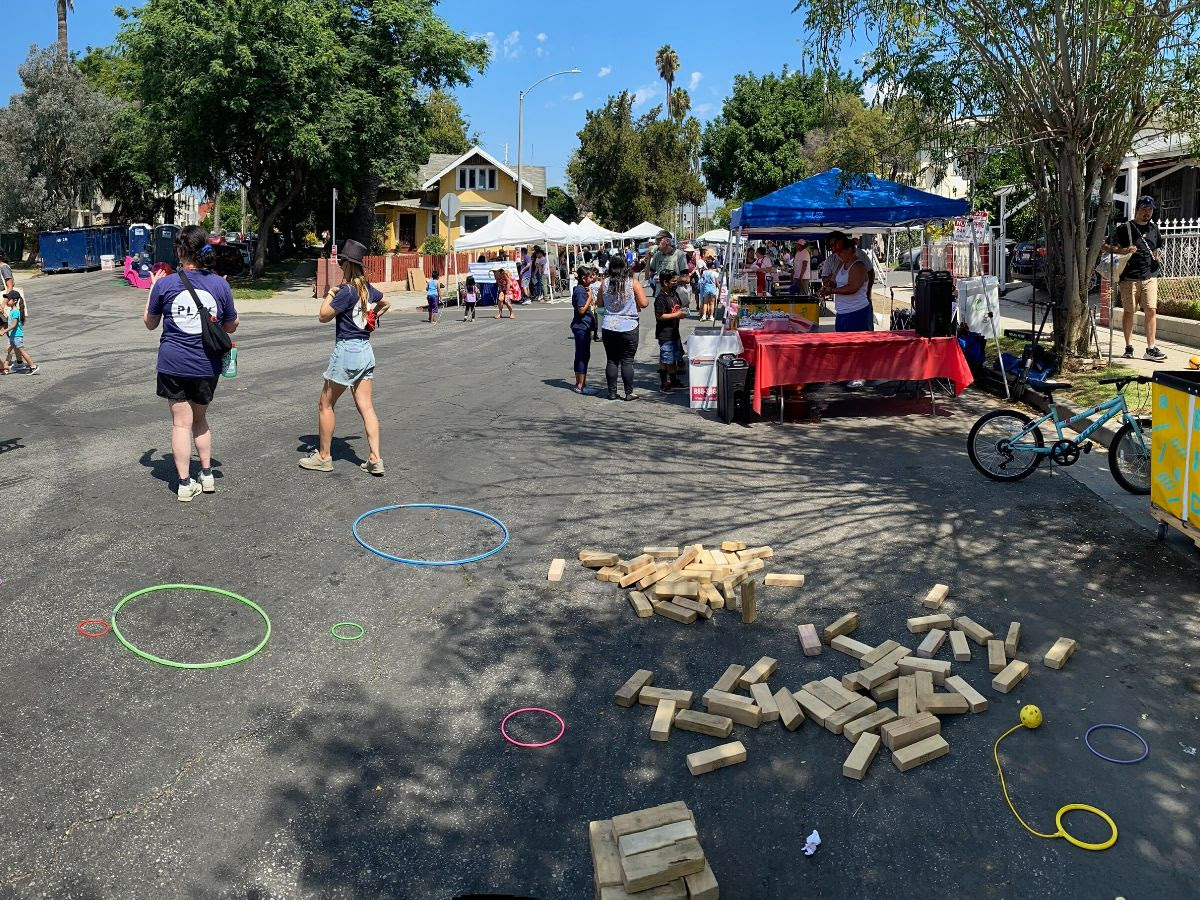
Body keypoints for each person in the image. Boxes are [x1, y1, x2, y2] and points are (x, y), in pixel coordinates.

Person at [142, 224, 238, 501]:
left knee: (180, 424)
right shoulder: (220, 284)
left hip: (173, 363)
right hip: (206, 365)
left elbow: (150, 324)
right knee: (200, 419)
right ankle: (206, 475)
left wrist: (151, 290)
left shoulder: (165, 284)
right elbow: (230, 327)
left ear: (181, 251)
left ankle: (184, 483)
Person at [300, 238, 390, 476]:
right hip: (365, 350)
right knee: (366, 406)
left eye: (341, 263)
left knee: (325, 404)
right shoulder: (368, 289)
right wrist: (372, 317)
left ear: (348, 265)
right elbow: (385, 302)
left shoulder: (346, 291)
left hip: (347, 351)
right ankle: (375, 458)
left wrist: (330, 293)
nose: (339, 265)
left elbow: (323, 316)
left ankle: (323, 456)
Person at [1103, 195, 1167, 361]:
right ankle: (1129, 346)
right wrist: (1123, 251)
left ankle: (1151, 348)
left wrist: (1156, 254)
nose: (1147, 213)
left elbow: (1158, 246)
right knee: (1130, 311)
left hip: (1150, 276)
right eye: (1144, 209)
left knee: (1151, 310)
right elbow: (1104, 245)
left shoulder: (1154, 229)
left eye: (1150, 209)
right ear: (1137, 210)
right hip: (1129, 277)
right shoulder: (1125, 228)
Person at [599, 256, 650, 400]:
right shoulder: (632, 283)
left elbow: (600, 303)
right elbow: (644, 303)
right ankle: (628, 392)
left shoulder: (605, 283)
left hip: (609, 325)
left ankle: (612, 392)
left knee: (612, 360)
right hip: (629, 325)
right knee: (627, 360)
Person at [820, 238, 872, 332]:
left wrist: (831, 291)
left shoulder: (858, 266)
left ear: (850, 250)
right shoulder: (841, 264)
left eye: (841, 252)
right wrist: (827, 287)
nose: (838, 255)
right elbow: (833, 281)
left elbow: (852, 288)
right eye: (837, 252)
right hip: (842, 312)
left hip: (856, 312)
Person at [654, 270, 687, 393]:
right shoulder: (660, 298)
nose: (676, 283)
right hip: (665, 333)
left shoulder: (674, 294)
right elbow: (660, 316)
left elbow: (678, 308)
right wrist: (676, 315)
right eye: (673, 281)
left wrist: (681, 313)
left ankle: (674, 381)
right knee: (665, 359)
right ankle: (664, 383)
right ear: (665, 282)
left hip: (674, 332)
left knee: (673, 359)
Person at [570, 266, 597, 393]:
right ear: (582, 278)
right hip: (582, 326)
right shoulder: (580, 291)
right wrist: (590, 298)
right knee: (583, 355)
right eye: (589, 277)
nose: (591, 279)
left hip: (582, 326)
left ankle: (579, 383)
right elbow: (581, 310)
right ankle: (581, 385)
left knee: (581, 354)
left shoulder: (580, 289)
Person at [648, 230, 690, 305]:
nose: (656, 243)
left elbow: (687, 279)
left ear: (667, 241)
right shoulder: (657, 255)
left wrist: (669, 281)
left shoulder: (679, 255)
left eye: (659, 240)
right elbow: (647, 276)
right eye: (656, 240)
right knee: (660, 316)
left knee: (675, 316)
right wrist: (648, 258)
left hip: (675, 296)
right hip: (660, 297)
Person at [2, 292, 37, 375]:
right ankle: (5, 367)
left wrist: (4, 331)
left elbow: (13, 325)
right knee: (9, 350)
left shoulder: (15, 312)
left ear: (15, 301)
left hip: (17, 336)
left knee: (22, 352)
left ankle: (33, 366)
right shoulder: (12, 311)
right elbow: (10, 321)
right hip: (12, 336)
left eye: (8, 299)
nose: (6, 301)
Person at [699, 251, 720, 321]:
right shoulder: (715, 273)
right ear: (713, 266)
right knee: (712, 303)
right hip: (713, 288)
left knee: (705, 303)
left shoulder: (704, 272)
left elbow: (703, 280)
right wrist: (719, 288)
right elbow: (717, 283)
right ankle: (711, 316)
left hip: (706, 288)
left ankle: (704, 315)